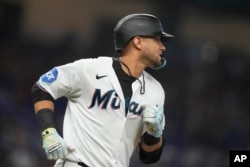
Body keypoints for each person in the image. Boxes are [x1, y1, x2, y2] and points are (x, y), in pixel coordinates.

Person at [31, 13, 173, 167]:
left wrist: (154, 135)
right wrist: (48, 132)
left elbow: (148, 157)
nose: (163, 46)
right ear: (138, 41)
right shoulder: (90, 69)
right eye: (157, 39)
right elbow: (42, 87)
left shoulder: (156, 90)